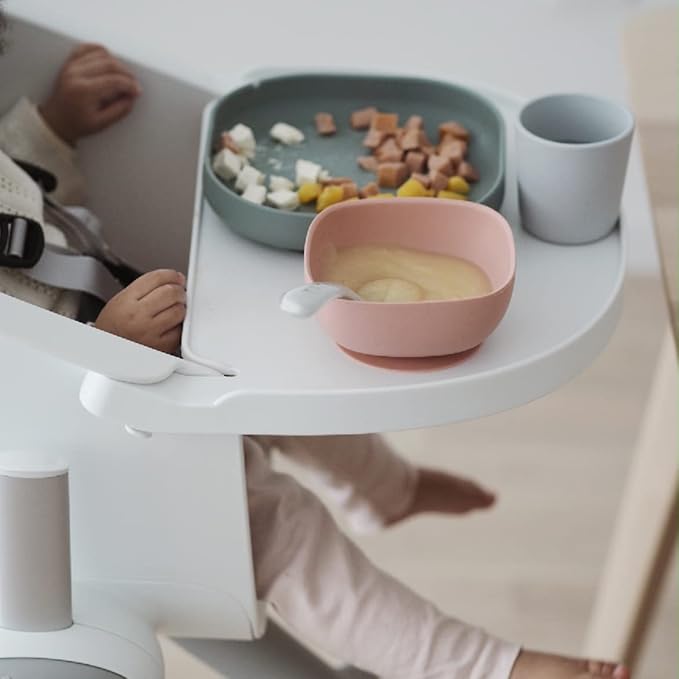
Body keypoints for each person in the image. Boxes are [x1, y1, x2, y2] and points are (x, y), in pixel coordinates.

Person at [0, 26, 629, 679]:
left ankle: (388, 489)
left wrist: (52, 127)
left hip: (141, 358)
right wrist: (106, 348)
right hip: (93, 453)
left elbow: (29, 190)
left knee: (282, 391)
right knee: (285, 529)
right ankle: (483, 666)